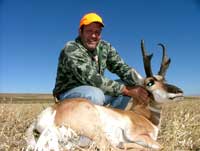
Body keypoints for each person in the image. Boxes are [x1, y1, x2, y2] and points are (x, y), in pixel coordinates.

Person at [53, 12, 150, 109]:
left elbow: (122, 68)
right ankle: (83, 123)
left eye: (97, 32)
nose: (93, 36)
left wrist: (144, 83)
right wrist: (127, 90)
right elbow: (91, 78)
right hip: (69, 94)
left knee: (128, 83)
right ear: (80, 31)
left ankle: (114, 121)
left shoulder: (105, 47)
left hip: (95, 90)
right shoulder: (71, 48)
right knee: (95, 95)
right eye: (89, 31)